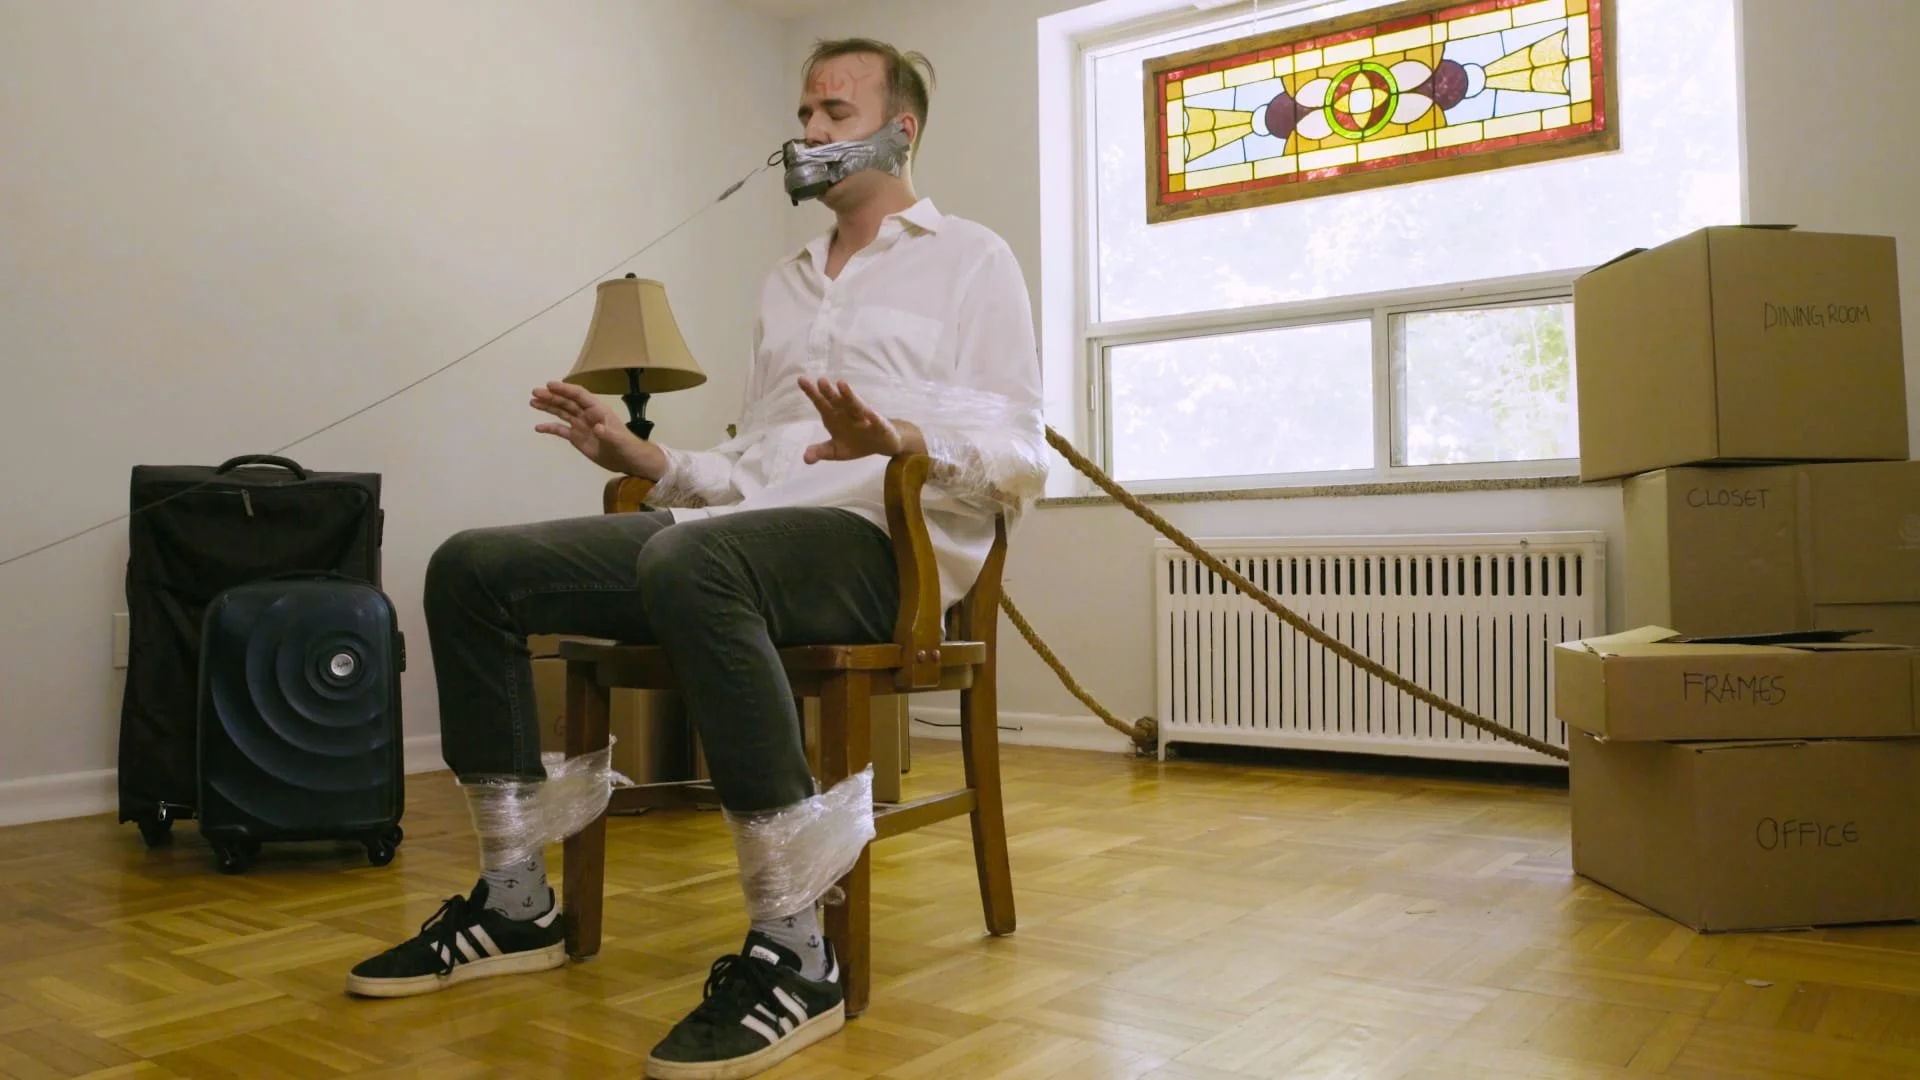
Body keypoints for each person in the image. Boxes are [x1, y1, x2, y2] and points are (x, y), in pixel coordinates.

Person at [342, 36, 1047, 1080]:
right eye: (803, 115)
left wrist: (904, 442)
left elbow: (1021, 465)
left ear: (902, 129)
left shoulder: (973, 259)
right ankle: (513, 900)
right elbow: (754, 471)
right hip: (743, 542)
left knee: (690, 569)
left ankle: (798, 951)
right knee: (471, 567)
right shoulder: (787, 284)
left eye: (833, 114)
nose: (806, 135)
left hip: (879, 550)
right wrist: (650, 459)